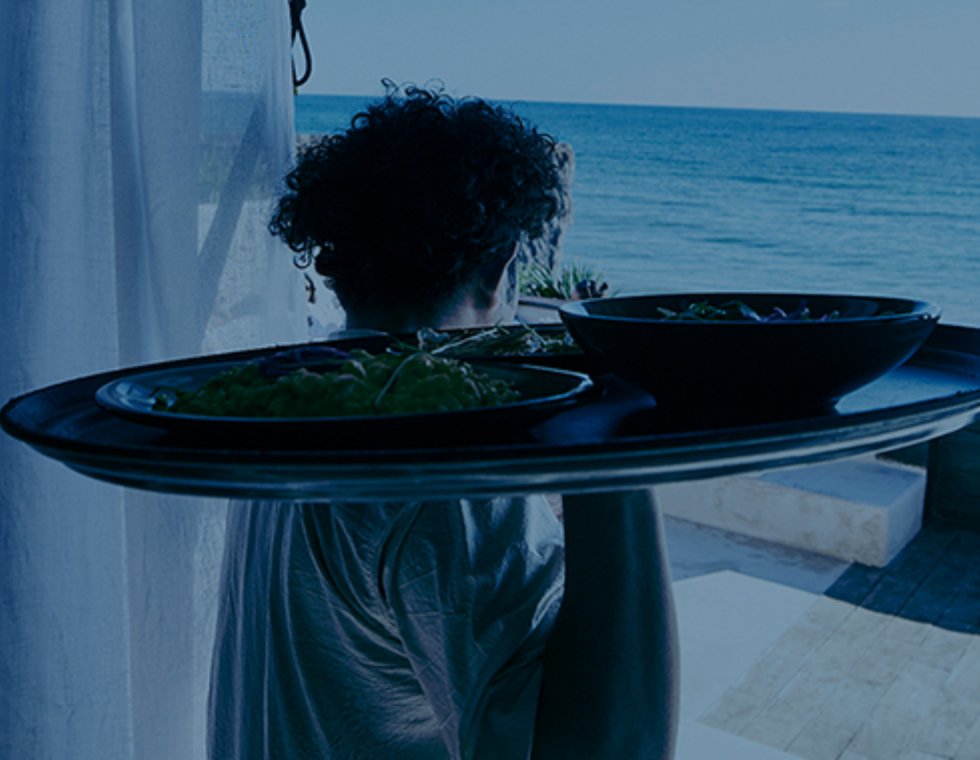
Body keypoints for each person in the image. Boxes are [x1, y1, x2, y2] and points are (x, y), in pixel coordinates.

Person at [207, 83, 679, 760]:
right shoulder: (444, 453)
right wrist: (620, 445)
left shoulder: (293, 406)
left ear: (337, 265)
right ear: (500, 265)